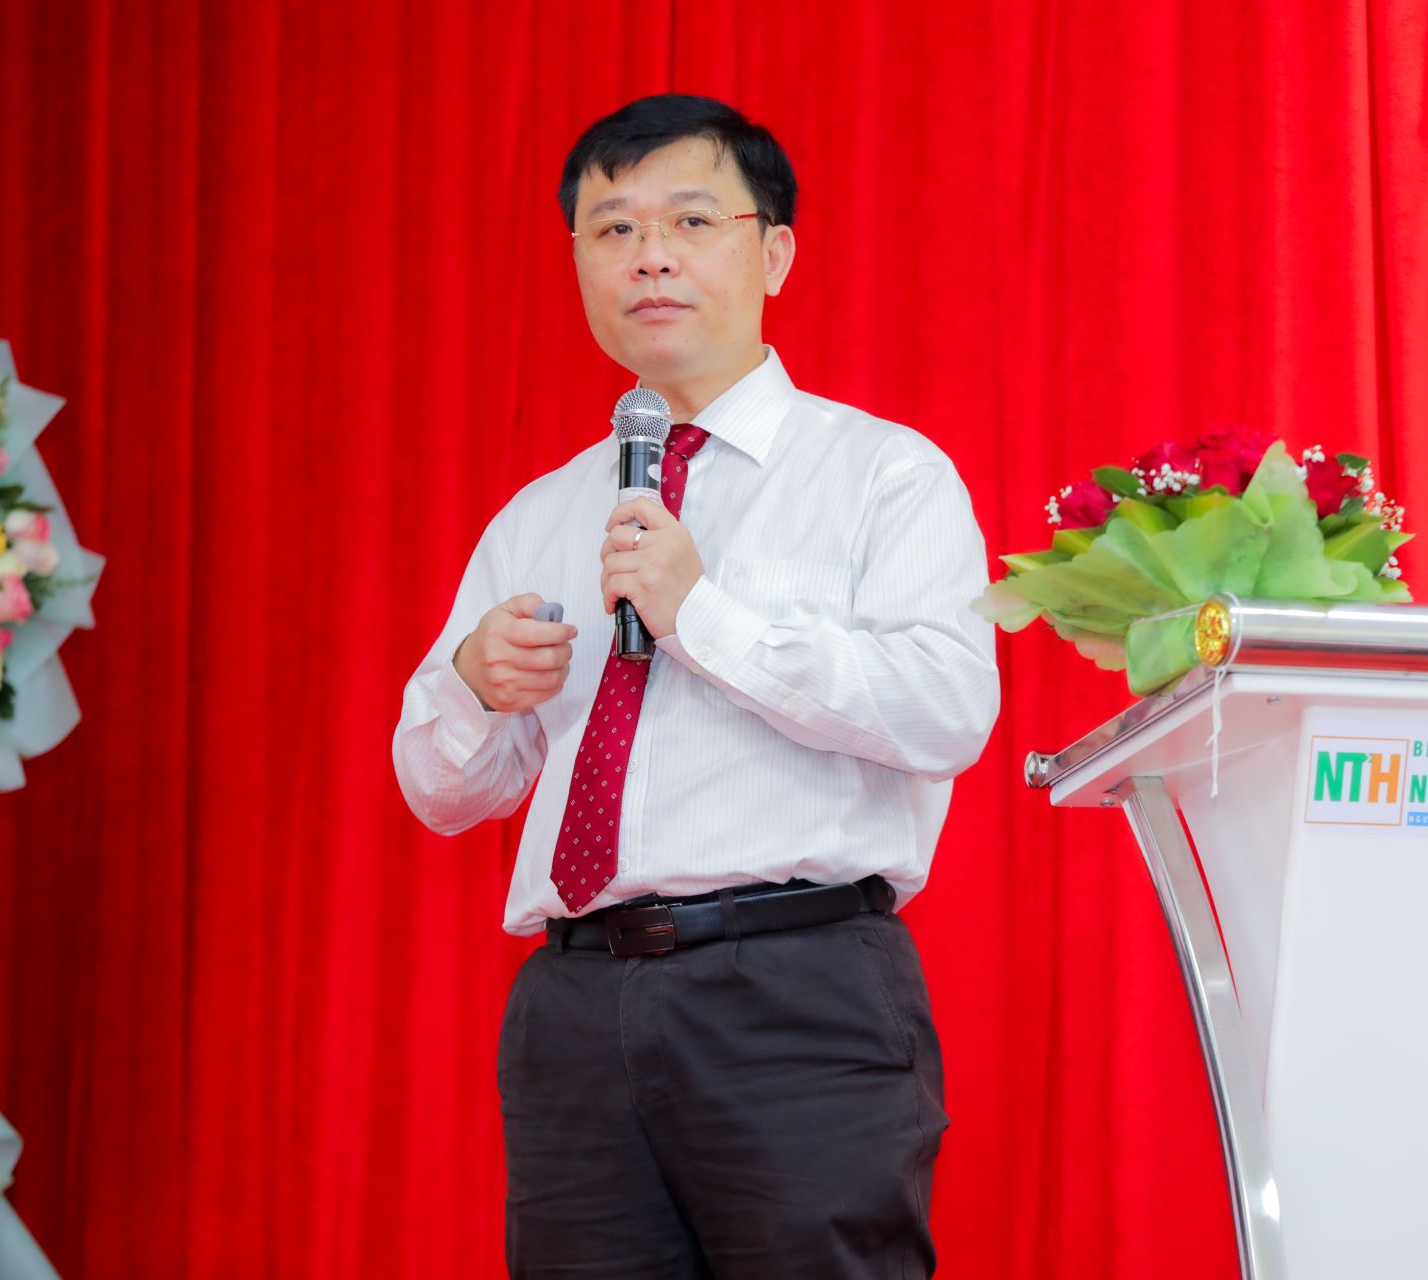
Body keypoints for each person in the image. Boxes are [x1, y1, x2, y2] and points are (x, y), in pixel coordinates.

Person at [391, 93, 1000, 1279]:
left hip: (796, 988)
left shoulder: (882, 473)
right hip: (576, 1002)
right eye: (613, 228)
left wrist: (700, 616)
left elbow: (947, 707)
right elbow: (444, 793)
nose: (650, 256)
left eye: (689, 220)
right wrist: (474, 683)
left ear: (774, 253)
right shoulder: (540, 511)